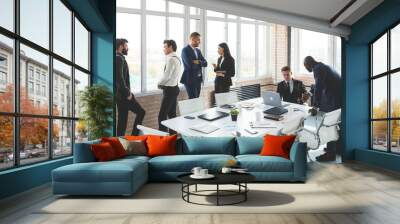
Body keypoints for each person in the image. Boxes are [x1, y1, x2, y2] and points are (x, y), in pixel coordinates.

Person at [304, 56, 342, 161]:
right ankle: (336, 149)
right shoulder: (322, 66)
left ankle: (331, 154)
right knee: (336, 123)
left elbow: (319, 87)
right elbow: (317, 85)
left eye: (305, 66)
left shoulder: (317, 69)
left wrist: (315, 106)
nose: (306, 69)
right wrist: (310, 93)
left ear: (307, 64)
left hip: (334, 98)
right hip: (338, 97)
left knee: (329, 124)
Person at [115, 38, 145, 136]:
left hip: (120, 96)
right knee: (141, 112)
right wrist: (128, 94)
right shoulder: (118, 58)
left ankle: (120, 143)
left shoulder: (118, 58)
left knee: (122, 122)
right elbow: (119, 79)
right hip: (124, 96)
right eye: (126, 46)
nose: (128, 48)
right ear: (120, 46)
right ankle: (134, 137)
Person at [158, 40, 181, 132]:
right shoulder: (177, 58)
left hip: (170, 90)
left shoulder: (171, 59)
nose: (163, 49)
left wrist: (159, 83)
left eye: (165, 46)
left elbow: (167, 75)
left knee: (162, 116)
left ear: (170, 47)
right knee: (172, 115)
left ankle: (163, 139)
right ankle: (173, 137)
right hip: (174, 88)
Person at [180, 32, 208, 99]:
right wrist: (200, 63)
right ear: (192, 39)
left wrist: (197, 62)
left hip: (198, 79)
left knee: (197, 98)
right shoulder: (185, 50)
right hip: (189, 79)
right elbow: (189, 65)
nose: (200, 42)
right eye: (198, 40)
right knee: (193, 99)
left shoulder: (198, 51)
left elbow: (205, 63)